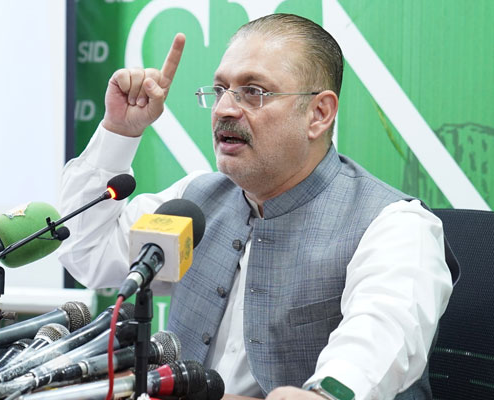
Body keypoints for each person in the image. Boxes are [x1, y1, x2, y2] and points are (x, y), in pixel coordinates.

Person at [57, 14, 456, 400]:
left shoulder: (395, 226)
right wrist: (119, 131)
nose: (225, 109)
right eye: (220, 90)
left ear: (319, 113)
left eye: (253, 92)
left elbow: (379, 337)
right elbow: (87, 252)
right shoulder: (193, 201)